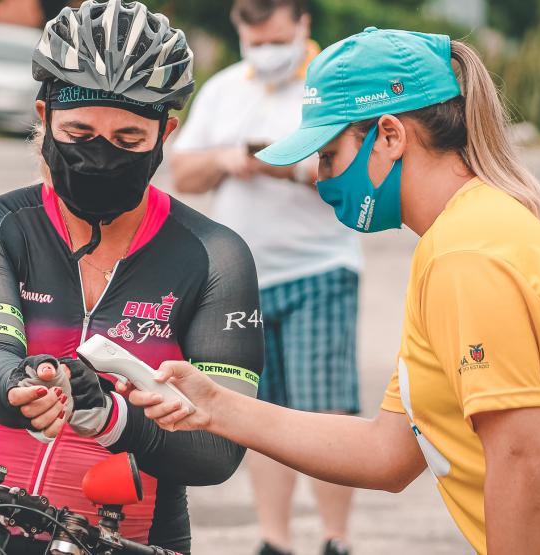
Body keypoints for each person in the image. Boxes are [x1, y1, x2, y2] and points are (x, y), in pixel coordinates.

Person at [128, 27, 540, 555]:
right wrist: (214, 405)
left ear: (389, 136)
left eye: (328, 155)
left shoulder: (467, 253)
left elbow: (523, 459)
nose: (321, 180)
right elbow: (388, 454)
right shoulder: (462, 236)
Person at [0, 2, 264, 554]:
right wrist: (18, 384)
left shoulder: (215, 255)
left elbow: (217, 451)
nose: (100, 156)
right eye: (79, 131)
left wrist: (113, 418)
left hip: (130, 542)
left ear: (166, 132)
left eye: (127, 140)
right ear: (44, 118)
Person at [170, 2, 360, 554]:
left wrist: (283, 163)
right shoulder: (226, 88)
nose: (267, 47)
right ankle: (273, 540)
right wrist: (229, 158)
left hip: (319, 268)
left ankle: (335, 538)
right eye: (256, 36)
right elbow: (183, 169)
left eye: (278, 36)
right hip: (241, 278)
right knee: (262, 411)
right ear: (239, 28)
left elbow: (349, 171)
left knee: (325, 408)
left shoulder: (333, 85)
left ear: (303, 24)